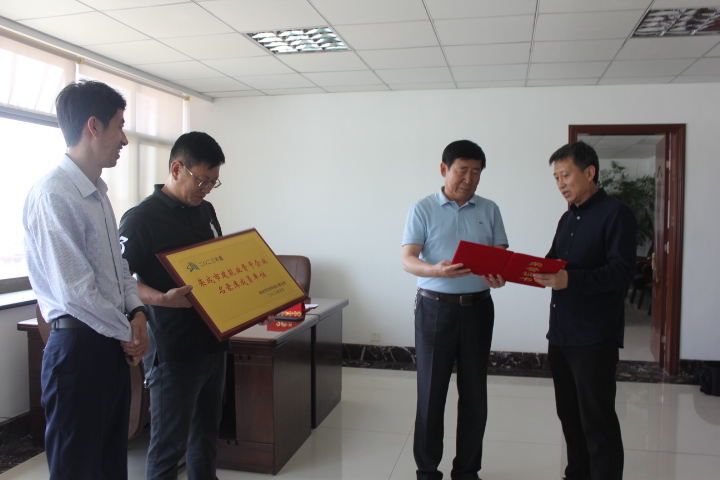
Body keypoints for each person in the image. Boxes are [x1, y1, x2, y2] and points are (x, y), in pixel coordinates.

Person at [23, 80, 149, 479]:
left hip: (109, 345)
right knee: (77, 469)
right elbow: (75, 292)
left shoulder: (97, 193)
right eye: (119, 126)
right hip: (78, 350)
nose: (124, 139)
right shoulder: (54, 194)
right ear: (93, 126)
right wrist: (128, 333)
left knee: (111, 465)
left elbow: (119, 269)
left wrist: (138, 313)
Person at [119, 132, 228, 480]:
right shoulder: (141, 219)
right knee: (169, 447)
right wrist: (162, 299)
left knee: (206, 439)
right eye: (202, 180)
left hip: (213, 342)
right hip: (173, 350)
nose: (207, 189)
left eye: (213, 182)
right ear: (177, 168)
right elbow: (118, 280)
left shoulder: (205, 210)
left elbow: (218, 263)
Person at [401, 140, 508, 480]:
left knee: (475, 393)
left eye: (476, 172)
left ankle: (467, 470)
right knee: (431, 393)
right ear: (444, 169)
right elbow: (408, 259)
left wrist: (498, 276)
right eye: (463, 170)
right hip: (435, 310)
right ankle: (427, 470)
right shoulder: (422, 208)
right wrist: (435, 270)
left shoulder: (489, 209)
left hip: (478, 309)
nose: (469, 178)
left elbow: (501, 256)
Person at [534, 141, 637, 480]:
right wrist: (514, 270)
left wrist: (570, 279)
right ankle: (577, 474)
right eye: (556, 178)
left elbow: (621, 272)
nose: (560, 183)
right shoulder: (568, 218)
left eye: (565, 175)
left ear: (589, 172)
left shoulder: (616, 214)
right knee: (569, 416)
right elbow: (553, 263)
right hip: (561, 334)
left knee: (597, 420)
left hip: (594, 337)